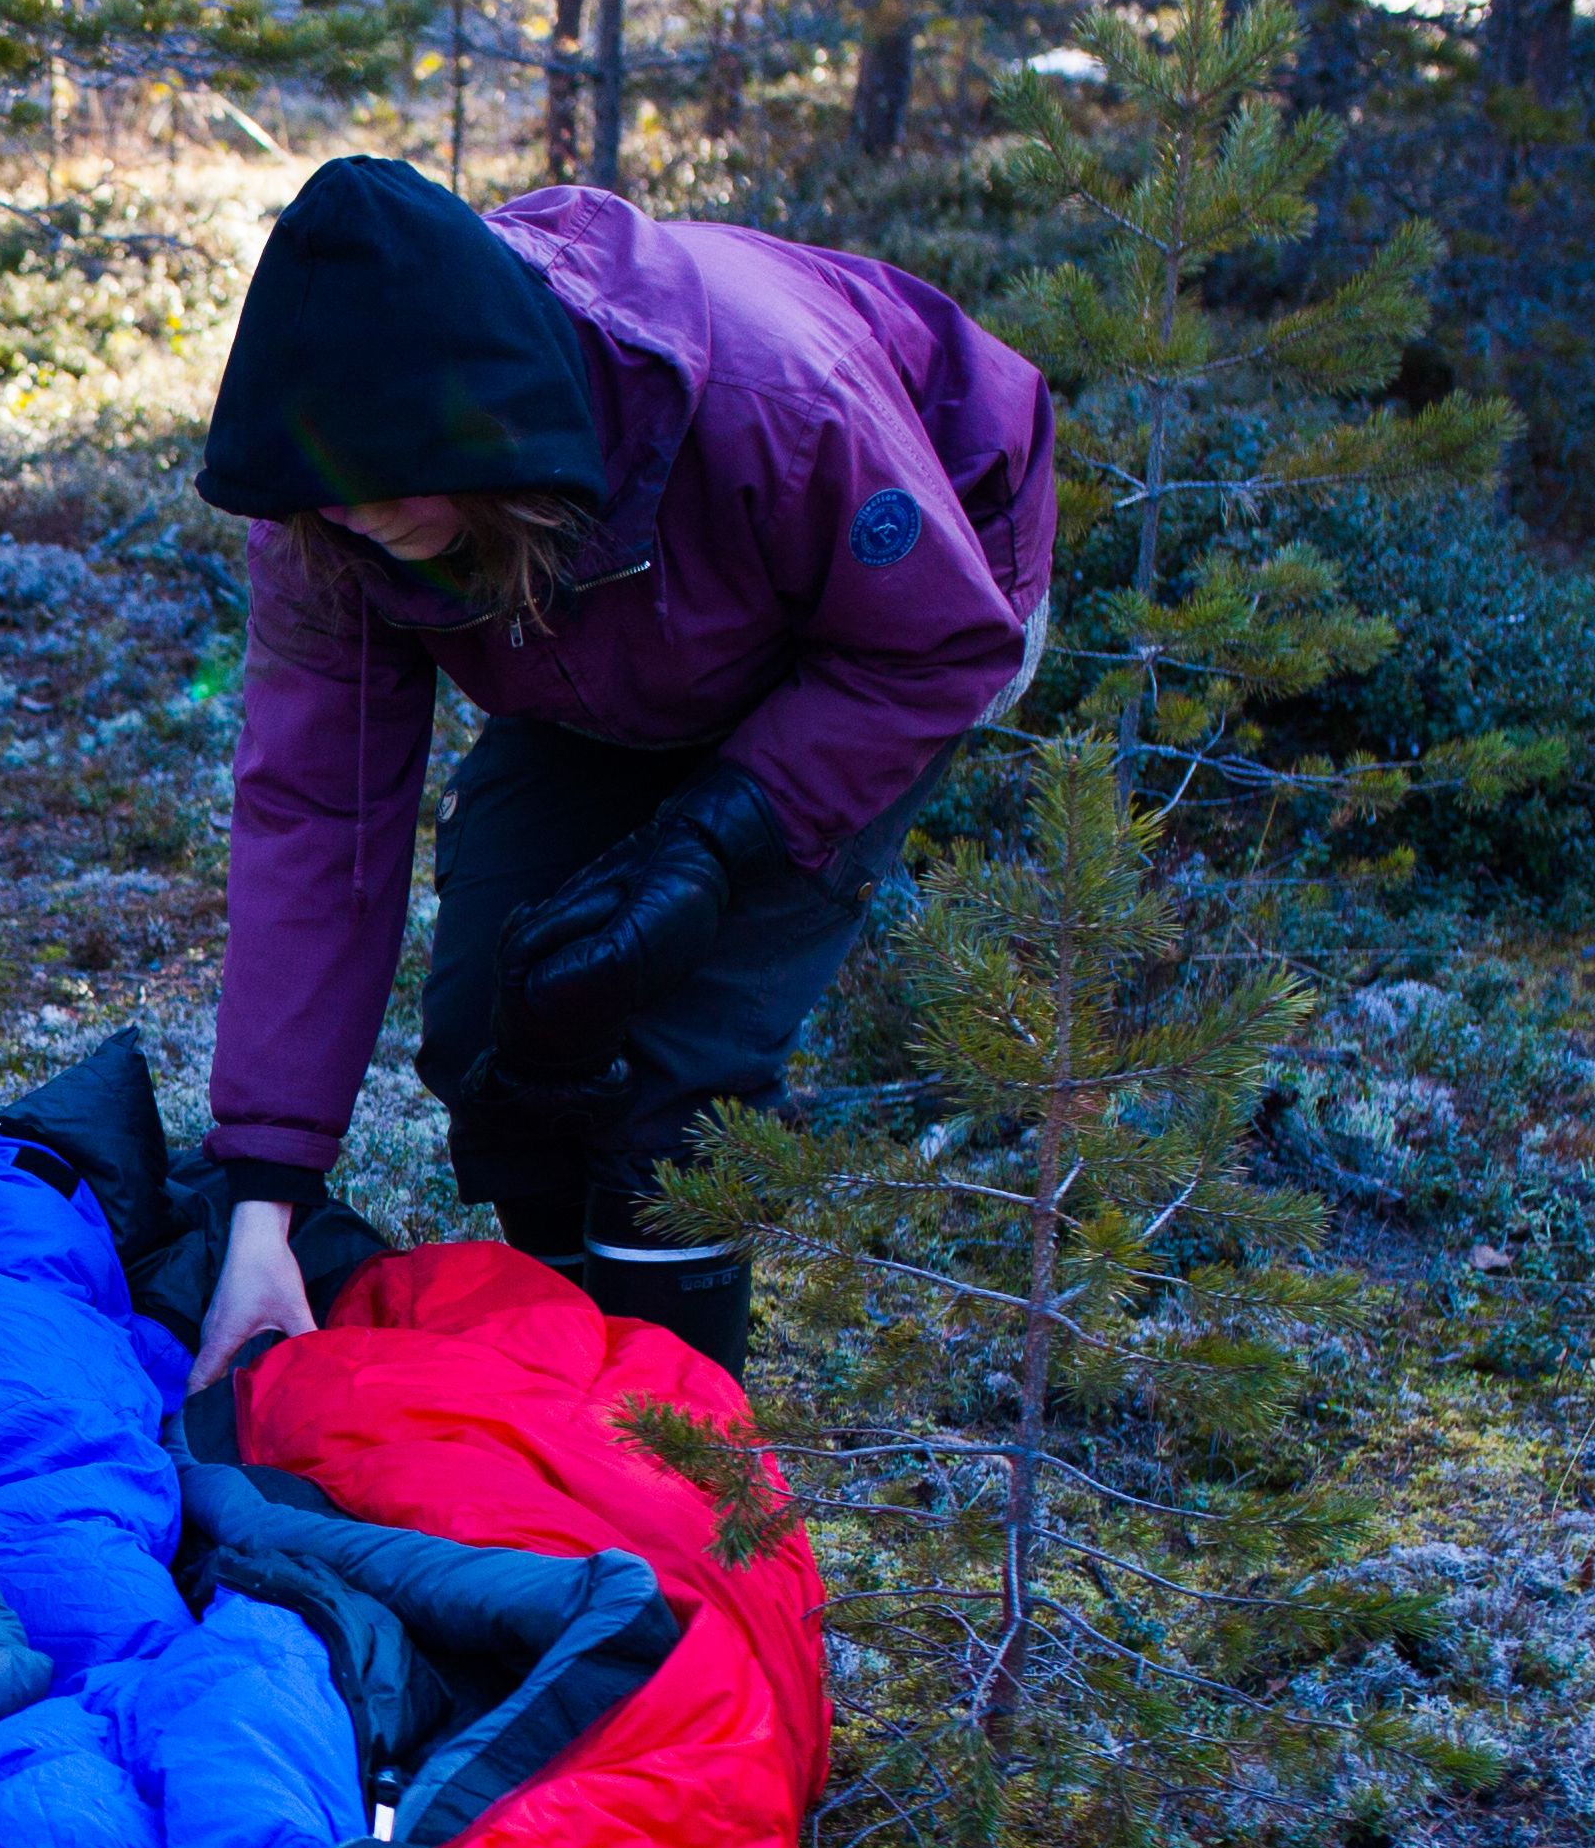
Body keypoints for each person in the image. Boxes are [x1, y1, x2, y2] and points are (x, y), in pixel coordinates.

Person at [182, 160, 1056, 1388]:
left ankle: (683, 1460)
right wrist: (265, 1204)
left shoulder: (775, 397)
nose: (361, 518)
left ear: (482, 423)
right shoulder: (332, 507)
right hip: (603, 643)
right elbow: (320, 817)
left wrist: (714, 841)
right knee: (502, 1016)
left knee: (676, 1074)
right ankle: (569, 1387)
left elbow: (936, 641)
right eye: (335, 497)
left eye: (390, 486)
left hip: (887, 628)